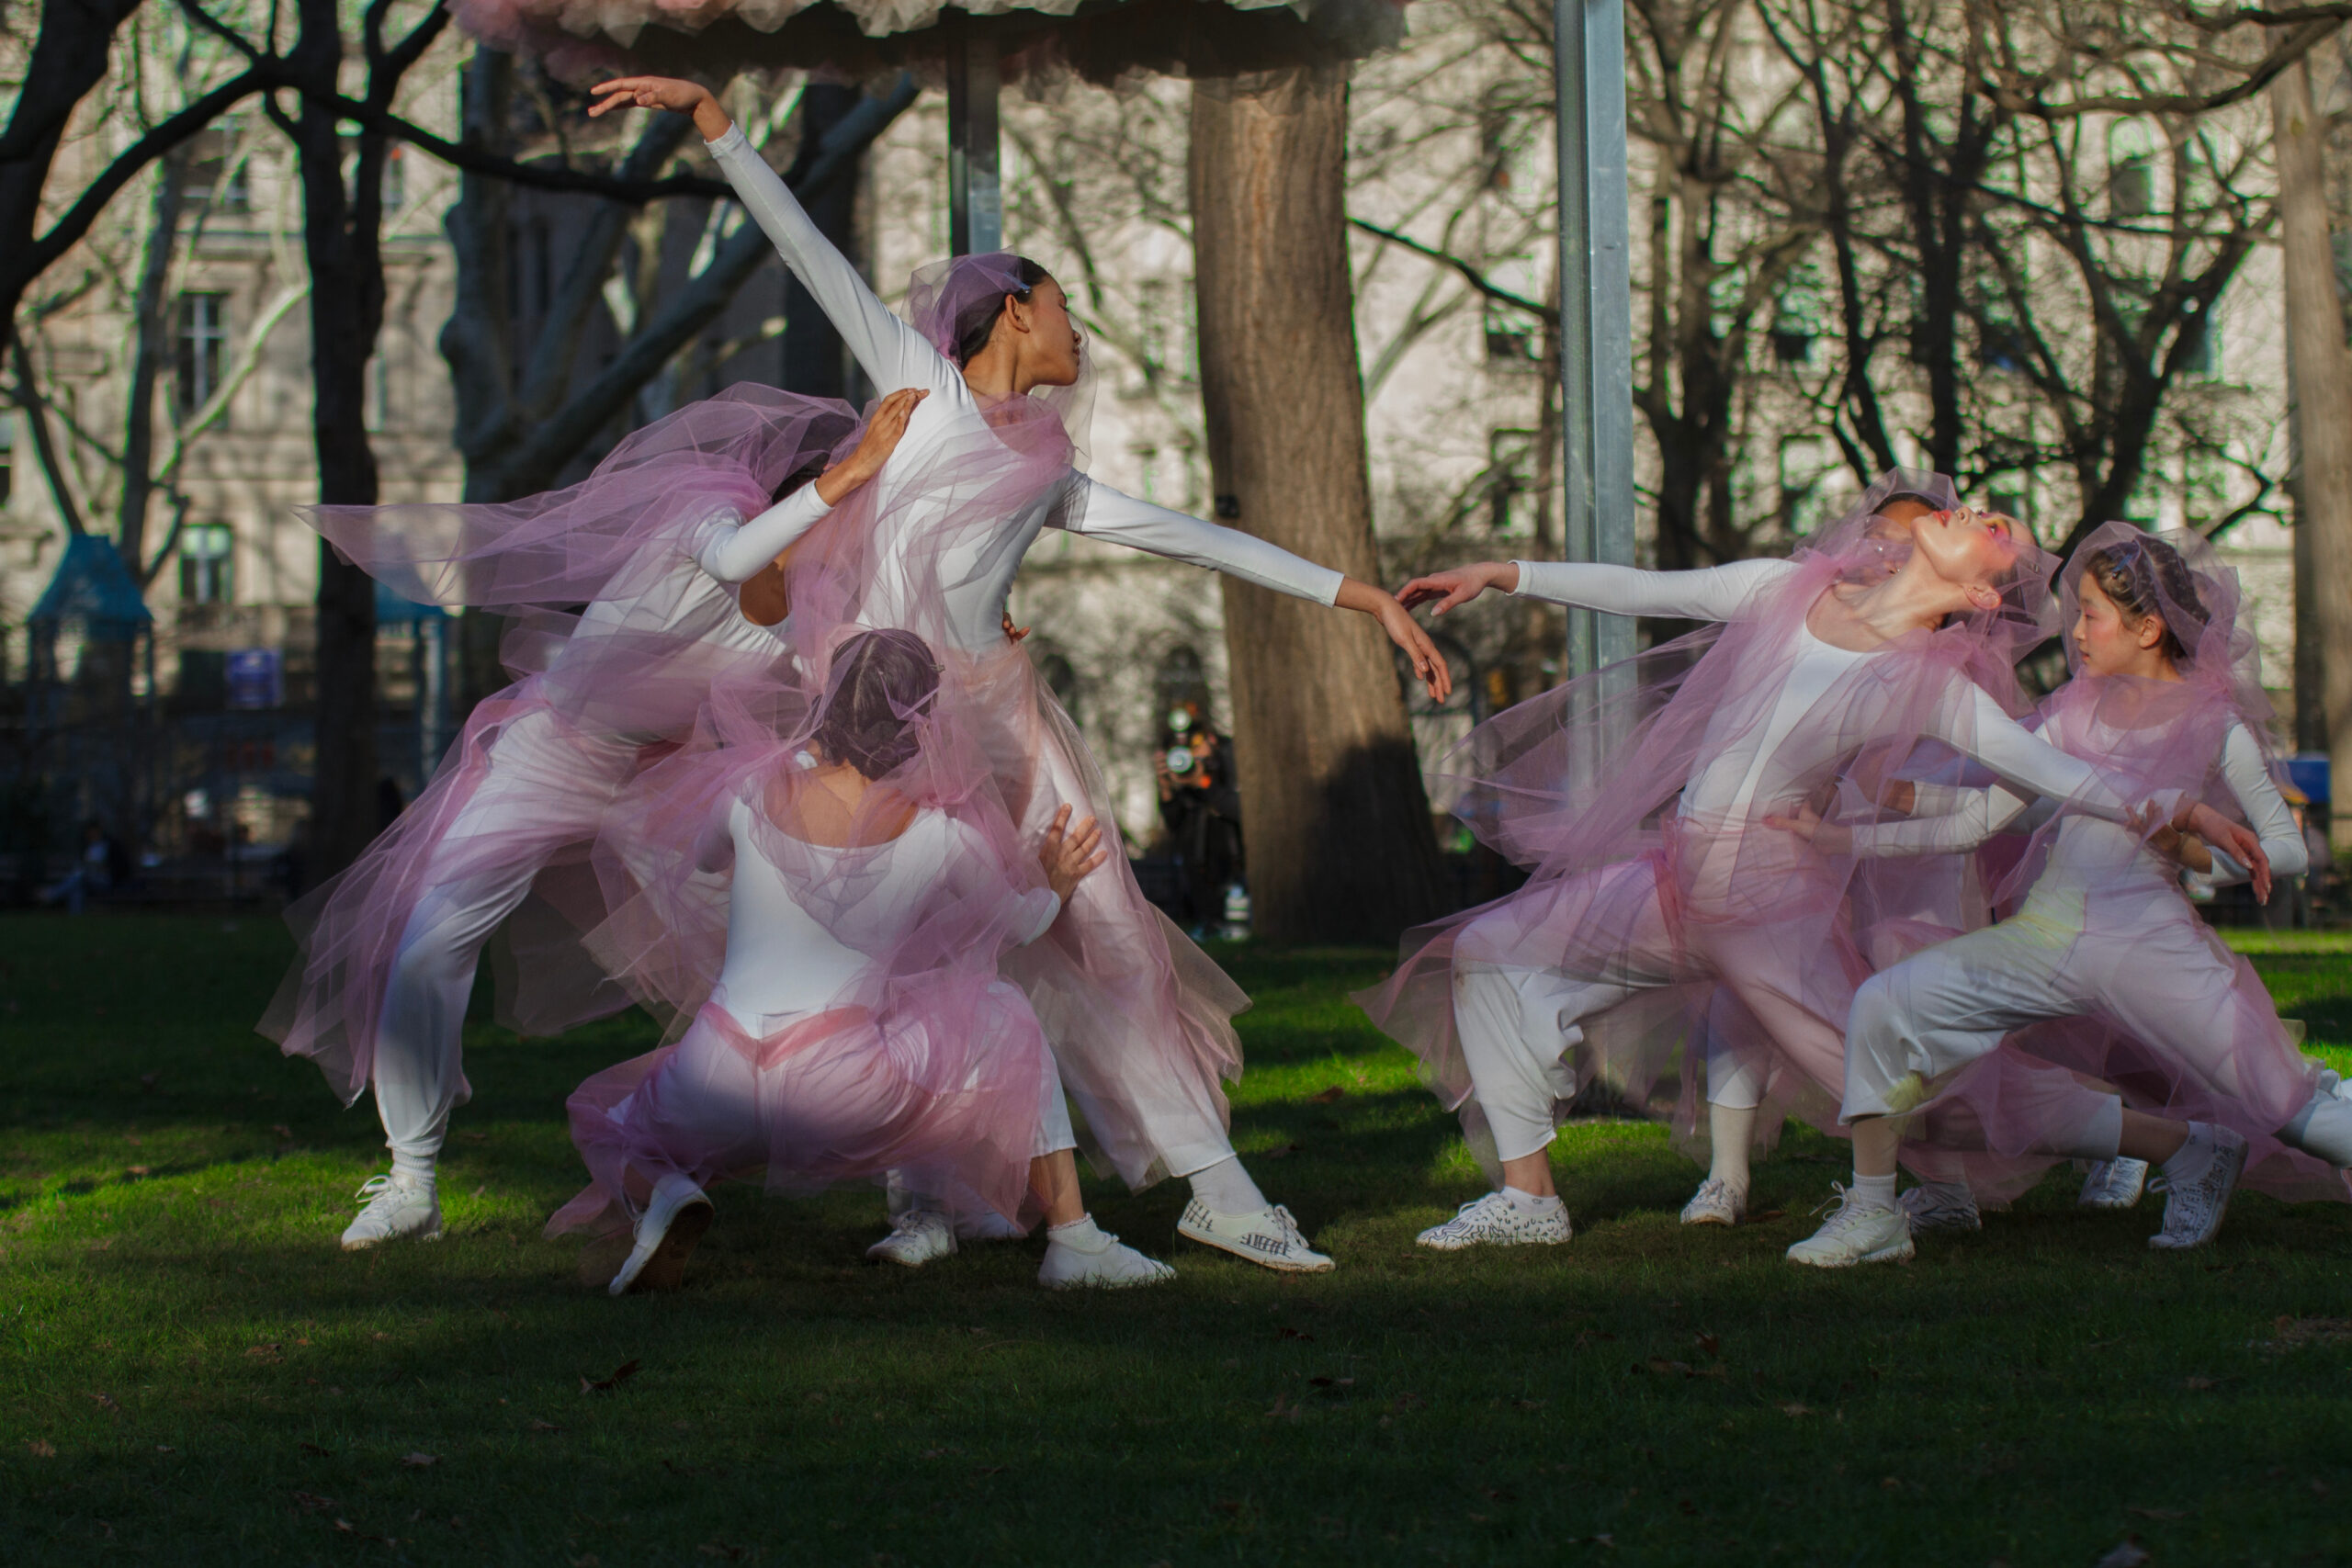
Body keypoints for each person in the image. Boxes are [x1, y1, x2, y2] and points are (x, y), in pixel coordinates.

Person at [586, 73, 1456, 1275]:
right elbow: (806, 245)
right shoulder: (917, 385)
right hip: (886, 724)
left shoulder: (1047, 466)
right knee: (912, 951)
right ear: (1008, 316)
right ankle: (941, 1205)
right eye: (1060, 306)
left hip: (999, 723)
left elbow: (1185, 532)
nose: (1075, 327)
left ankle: (1212, 1188)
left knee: (1105, 933)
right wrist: (713, 122)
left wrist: (1354, 594)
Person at [1354, 477, 2262, 1251]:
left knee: (1915, 1102)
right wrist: (1503, 574)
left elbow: (2051, 772)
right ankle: (1528, 1199)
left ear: (1983, 599)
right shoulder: (1785, 590)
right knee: (1495, 956)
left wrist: (2174, 806)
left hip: (1770, 906)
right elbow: (1638, 587)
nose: (1974, 512)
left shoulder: (1927, 681)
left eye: (1997, 531)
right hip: (1675, 881)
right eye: (1974, 507)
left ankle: (2181, 1145)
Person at [264, 386, 922, 1250]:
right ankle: (412, 1177)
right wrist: (853, 472)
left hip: (664, 783)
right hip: (553, 748)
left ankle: (919, 1187)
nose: (848, 533)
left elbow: (873, 674)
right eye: (845, 501)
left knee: (773, 957)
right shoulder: (709, 516)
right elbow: (734, 563)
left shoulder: (819, 604)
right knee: (429, 942)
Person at [1779, 525, 2346, 1264]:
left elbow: (2289, 849)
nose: (2075, 632)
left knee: (2289, 1108)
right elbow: (1983, 805)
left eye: (2090, 613)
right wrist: (1860, 820)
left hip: (2149, 944)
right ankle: (1872, 1213)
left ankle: (2210, 1153)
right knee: (1886, 1005)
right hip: (2045, 937)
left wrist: (2202, 859)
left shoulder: (2216, 725)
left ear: (2148, 627)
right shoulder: (2071, 712)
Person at [551, 629, 1173, 1292]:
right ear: (921, 724)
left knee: (613, 1125)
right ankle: (1074, 1237)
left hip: (715, 1076)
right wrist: (1054, 882)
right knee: (993, 1006)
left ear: (830, 709)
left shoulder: (751, 791)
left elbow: (703, 860)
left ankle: (669, 1190)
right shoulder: (938, 833)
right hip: (839, 1091)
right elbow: (1018, 925)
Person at [1155, 705, 1243, 936]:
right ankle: (1208, 921)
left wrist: (1203, 781)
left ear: (1211, 740)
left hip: (1233, 855)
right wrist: (1166, 789)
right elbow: (1173, 822)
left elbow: (1237, 809)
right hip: (1196, 860)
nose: (1188, 756)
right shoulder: (1178, 780)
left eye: (1195, 746)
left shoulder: (1230, 759)